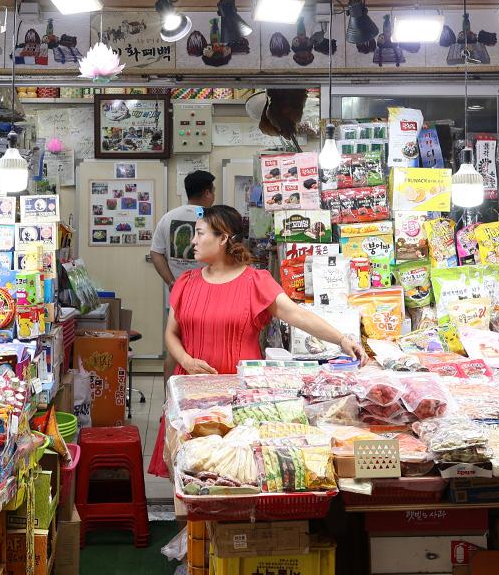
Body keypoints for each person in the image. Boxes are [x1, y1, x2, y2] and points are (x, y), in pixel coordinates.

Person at [148, 205, 367, 477]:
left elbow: (298, 315)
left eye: (200, 233)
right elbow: (171, 333)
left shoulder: (256, 282)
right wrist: (186, 360)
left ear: (223, 238)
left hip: (242, 397)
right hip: (192, 393)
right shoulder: (186, 282)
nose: (193, 241)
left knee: (238, 472)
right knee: (189, 469)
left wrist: (342, 339)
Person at [150, 170, 215, 379]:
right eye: (212, 191)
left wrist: (172, 282)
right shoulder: (212, 219)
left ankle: (169, 395)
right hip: (208, 296)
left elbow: (155, 253)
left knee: (175, 349)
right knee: (205, 347)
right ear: (207, 193)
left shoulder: (168, 218)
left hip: (176, 297)